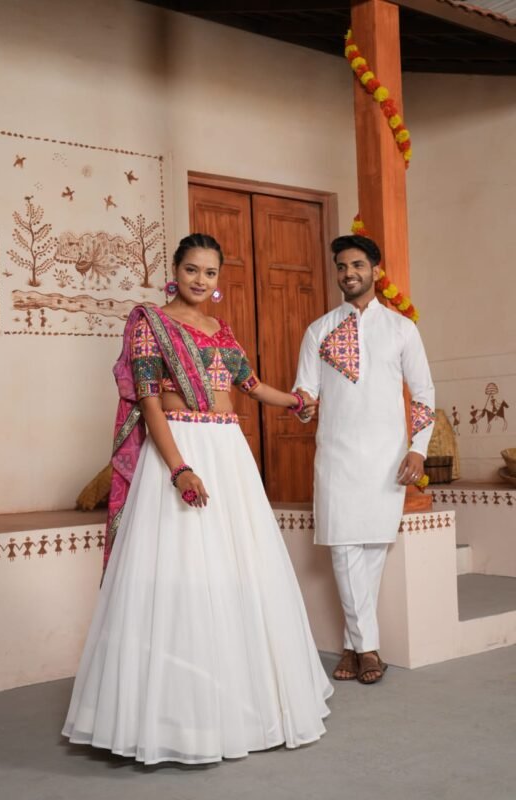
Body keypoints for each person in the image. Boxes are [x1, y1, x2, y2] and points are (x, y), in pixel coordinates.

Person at [62, 233, 333, 765]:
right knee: (179, 576)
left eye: (210, 273)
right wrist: (179, 468)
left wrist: (298, 401)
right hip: (181, 447)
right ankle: (173, 717)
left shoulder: (219, 329)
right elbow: (147, 402)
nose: (201, 281)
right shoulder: (149, 321)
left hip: (229, 451)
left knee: (236, 572)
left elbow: (250, 386)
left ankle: (242, 709)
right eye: (192, 270)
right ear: (176, 270)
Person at [294, 234, 435, 685]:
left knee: (373, 548)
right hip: (336, 455)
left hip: (388, 457)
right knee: (343, 548)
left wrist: (418, 447)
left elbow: (425, 394)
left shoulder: (401, 329)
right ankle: (369, 647)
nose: (348, 273)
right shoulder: (318, 330)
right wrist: (302, 405)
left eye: (357, 265)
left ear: (375, 270)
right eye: (341, 266)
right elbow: (306, 393)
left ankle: (355, 646)